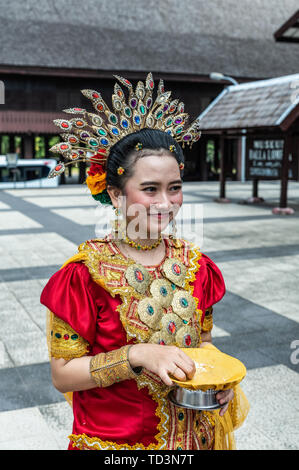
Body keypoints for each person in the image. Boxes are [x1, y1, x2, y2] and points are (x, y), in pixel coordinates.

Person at [40, 74, 249, 450]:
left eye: (175, 187)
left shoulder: (196, 266)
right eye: (150, 189)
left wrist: (219, 378)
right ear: (117, 194)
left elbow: (202, 342)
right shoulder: (84, 276)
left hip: (193, 439)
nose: (166, 203)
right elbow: (62, 376)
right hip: (120, 446)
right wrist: (136, 355)